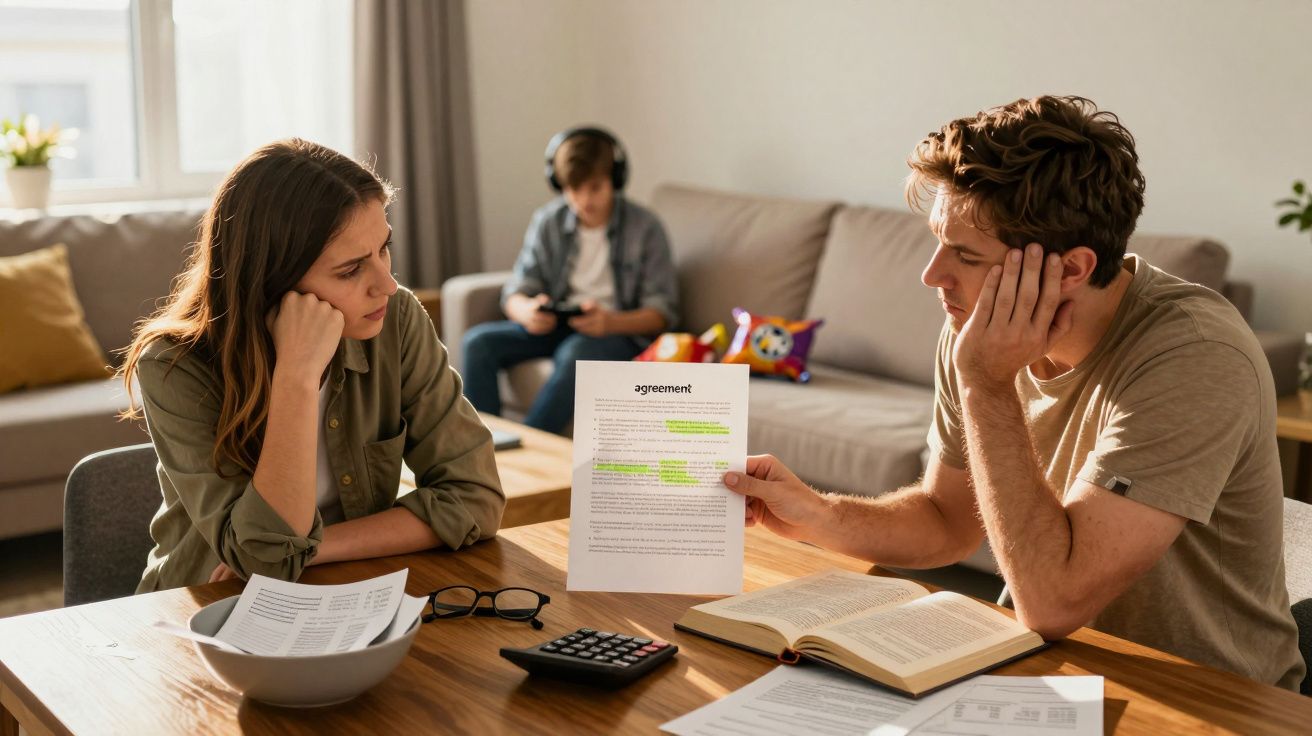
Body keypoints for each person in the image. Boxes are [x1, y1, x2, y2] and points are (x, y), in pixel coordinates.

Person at [721, 96, 1304, 690]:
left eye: (966, 255)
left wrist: (986, 383)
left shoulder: (1196, 356)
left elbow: (1054, 601)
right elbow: (947, 521)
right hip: (1048, 669)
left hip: (1215, 696)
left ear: (1071, 270)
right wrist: (816, 513)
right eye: (937, 241)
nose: (931, 275)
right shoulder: (975, 327)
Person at [120, 139, 505, 592]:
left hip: (344, 587)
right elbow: (263, 559)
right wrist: (297, 377)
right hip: (208, 600)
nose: (386, 284)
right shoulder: (174, 365)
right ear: (271, 280)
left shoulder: (395, 319)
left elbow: (476, 497)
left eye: (384, 248)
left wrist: (318, 547)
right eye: (350, 270)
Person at [461, 126, 678, 434]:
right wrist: (526, 311)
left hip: (617, 332)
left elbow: (661, 314)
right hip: (559, 325)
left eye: (595, 188)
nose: (584, 200)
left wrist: (609, 323)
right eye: (574, 189)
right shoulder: (548, 222)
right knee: (478, 343)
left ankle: (531, 447)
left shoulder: (645, 228)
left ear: (615, 180)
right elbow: (517, 289)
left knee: (576, 353)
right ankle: (481, 449)